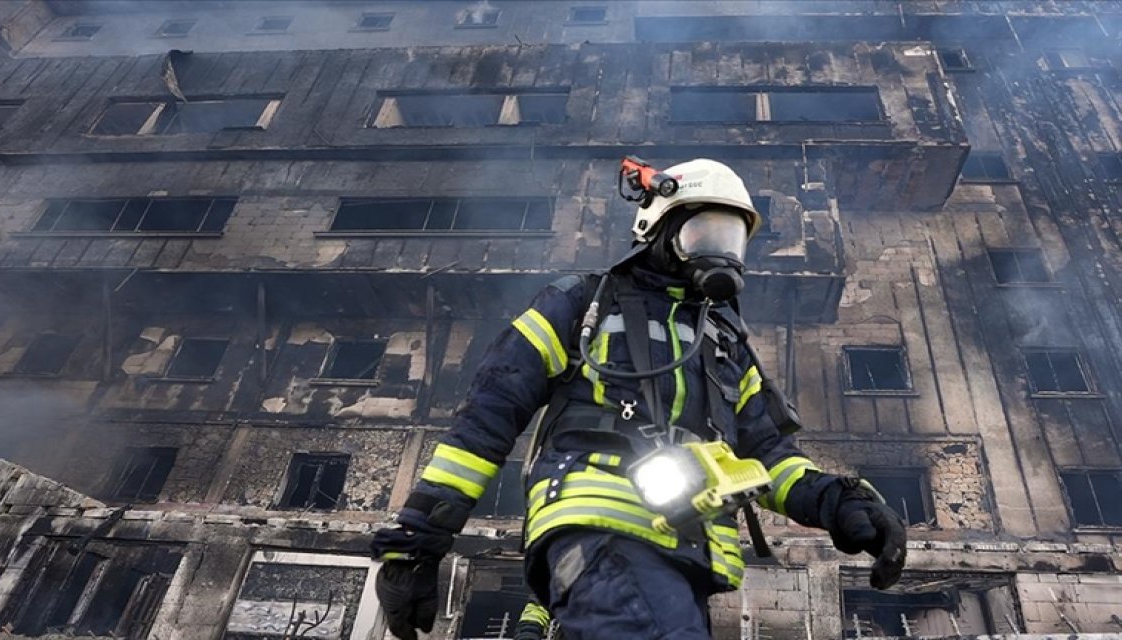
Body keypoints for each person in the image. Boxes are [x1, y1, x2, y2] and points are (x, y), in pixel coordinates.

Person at [371, 158, 907, 640]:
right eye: (704, 233)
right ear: (660, 226)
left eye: (732, 239)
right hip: (601, 526)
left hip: (690, 552)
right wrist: (418, 541)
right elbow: (484, 422)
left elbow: (766, 458)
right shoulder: (582, 306)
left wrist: (840, 502)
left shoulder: (724, 344)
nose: (720, 252)